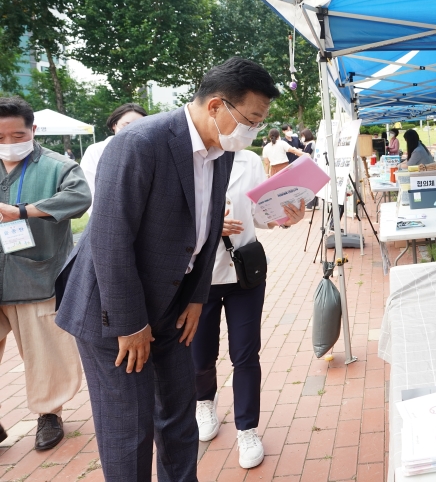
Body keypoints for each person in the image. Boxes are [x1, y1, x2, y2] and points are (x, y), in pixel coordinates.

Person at [55, 57, 281, 482]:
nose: (253, 130)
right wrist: (129, 323)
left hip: (173, 305)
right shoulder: (141, 143)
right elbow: (109, 239)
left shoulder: (222, 149)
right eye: (250, 119)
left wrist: (196, 297)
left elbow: (208, 225)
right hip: (112, 312)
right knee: (130, 428)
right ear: (216, 106)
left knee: (178, 417)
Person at [193, 149, 306, 469]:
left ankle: (247, 429)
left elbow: (259, 215)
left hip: (244, 275)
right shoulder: (185, 157)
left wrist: (285, 218)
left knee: (245, 355)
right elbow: (170, 220)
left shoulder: (249, 161)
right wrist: (212, 226)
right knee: (201, 356)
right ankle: (204, 402)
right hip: (200, 279)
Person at [0, 97, 91, 451]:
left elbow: (79, 199)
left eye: (16, 134)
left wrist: (24, 211)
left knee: (45, 354)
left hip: (36, 275)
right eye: (0, 136)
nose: (8, 143)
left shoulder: (58, 166)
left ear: (33, 130)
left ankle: (49, 414)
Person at [80, 103, 148, 213]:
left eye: (140, 126)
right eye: (126, 125)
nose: (134, 131)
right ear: (114, 125)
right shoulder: (96, 151)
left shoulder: (150, 152)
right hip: (106, 217)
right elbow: (88, 189)